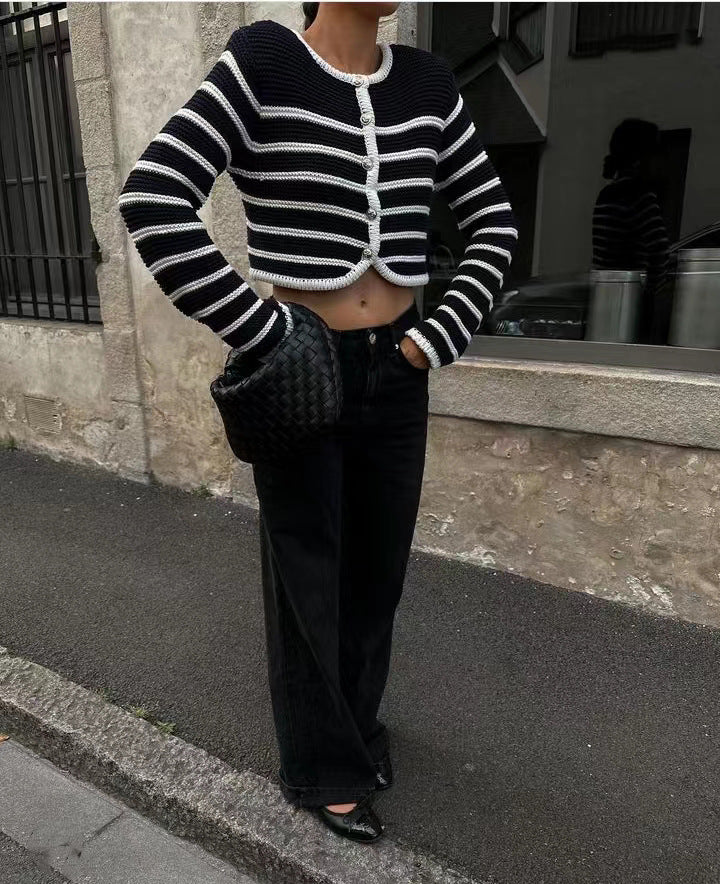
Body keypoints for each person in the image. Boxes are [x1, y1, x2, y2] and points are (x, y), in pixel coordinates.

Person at [118, 1, 517, 843]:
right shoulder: (264, 61)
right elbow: (153, 198)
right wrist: (263, 331)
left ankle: (357, 728)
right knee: (307, 575)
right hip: (300, 367)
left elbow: (493, 224)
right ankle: (323, 769)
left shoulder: (428, 84)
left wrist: (434, 339)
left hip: (399, 367)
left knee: (377, 573)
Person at [592, 118, 672, 344]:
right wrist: (652, 291)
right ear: (643, 157)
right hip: (631, 299)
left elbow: (600, 254)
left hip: (603, 293)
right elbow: (660, 250)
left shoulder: (606, 195)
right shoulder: (640, 196)